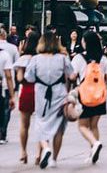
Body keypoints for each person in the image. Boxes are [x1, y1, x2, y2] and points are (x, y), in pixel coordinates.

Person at [24, 31, 75, 169]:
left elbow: (29, 77)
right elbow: (72, 75)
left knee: (41, 123)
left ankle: (45, 147)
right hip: (59, 95)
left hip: (41, 96)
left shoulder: (35, 59)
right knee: (59, 128)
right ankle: (54, 160)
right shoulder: (63, 58)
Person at [72, 30, 107, 164]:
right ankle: (93, 151)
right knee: (94, 125)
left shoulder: (79, 58)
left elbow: (72, 76)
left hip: (84, 95)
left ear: (86, 43)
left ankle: (95, 144)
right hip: (99, 95)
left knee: (82, 126)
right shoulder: (103, 59)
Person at [14, 31, 39, 164]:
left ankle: (23, 152)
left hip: (27, 90)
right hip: (40, 91)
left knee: (24, 124)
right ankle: (39, 154)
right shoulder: (41, 58)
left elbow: (19, 78)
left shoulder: (23, 59)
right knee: (41, 124)